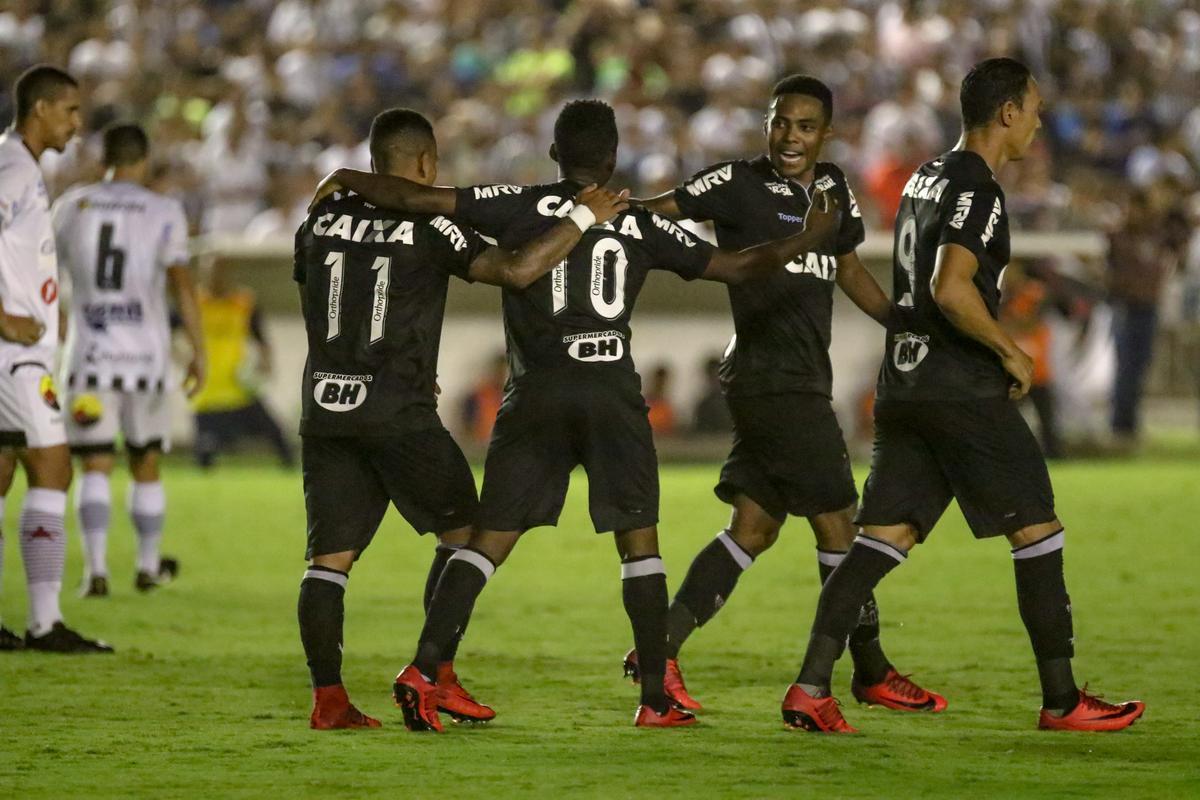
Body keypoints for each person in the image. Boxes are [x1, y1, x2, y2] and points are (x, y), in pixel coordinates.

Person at [312, 98, 842, 730]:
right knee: (639, 545)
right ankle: (653, 697)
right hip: (609, 397)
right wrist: (810, 235)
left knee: (487, 542)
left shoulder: (515, 203)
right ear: (614, 156)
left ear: (555, 154)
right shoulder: (637, 221)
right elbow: (741, 265)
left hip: (534, 395)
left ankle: (426, 668)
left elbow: (418, 200)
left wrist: (348, 177)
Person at [781, 58, 1144, 733]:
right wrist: (1008, 348)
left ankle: (809, 686)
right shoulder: (980, 186)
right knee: (1036, 530)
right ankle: (1063, 700)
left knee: (880, 540)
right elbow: (952, 289)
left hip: (906, 381)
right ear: (1007, 112)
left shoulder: (926, 174)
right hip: (960, 388)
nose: (1038, 120)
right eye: (1034, 106)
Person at [295, 107, 630, 730]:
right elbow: (518, 270)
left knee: (329, 561)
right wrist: (585, 216)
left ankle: (329, 701)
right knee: (468, 534)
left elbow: (319, 301)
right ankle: (435, 675)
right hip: (398, 409)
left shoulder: (318, 219)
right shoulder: (429, 224)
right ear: (425, 164)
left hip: (325, 406)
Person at [625, 75, 942, 713]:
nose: (789, 136)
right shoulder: (734, 183)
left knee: (753, 528)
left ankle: (659, 652)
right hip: (777, 384)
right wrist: (603, 217)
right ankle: (863, 672)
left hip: (792, 381)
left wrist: (899, 321)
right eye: (780, 123)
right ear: (767, 124)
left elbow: (848, 264)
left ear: (825, 134)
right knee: (841, 532)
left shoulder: (832, 188)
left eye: (803, 126)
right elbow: (651, 215)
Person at [52, 122, 205, 598]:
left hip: (88, 357)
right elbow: (181, 283)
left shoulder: (71, 206)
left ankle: (95, 572)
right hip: (147, 360)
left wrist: (59, 330)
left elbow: (48, 279)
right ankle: (144, 566)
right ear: (144, 160)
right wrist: (198, 350)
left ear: (106, 160)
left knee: (94, 463)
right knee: (145, 462)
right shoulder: (163, 210)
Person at [0, 65, 111, 652]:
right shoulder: (13, 166)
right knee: (53, 467)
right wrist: (5, 316)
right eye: (69, 111)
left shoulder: (22, 168)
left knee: (1, 473)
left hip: (20, 347)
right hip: (13, 353)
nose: (77, 123)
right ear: (40, 109)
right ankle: (44, 622)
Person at [190, 260, 294, 469]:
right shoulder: (194, 302)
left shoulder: (242, 302)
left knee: (278, 437)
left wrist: (266, 361)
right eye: (210, 273)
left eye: (219, 273)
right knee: (205, 455)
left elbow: (260, 336)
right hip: (207, 391)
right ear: (202, 275)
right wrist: (182, 356)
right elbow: (169, 332)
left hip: (238, 386)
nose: (215, 279)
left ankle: (294, 475)